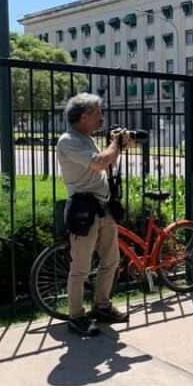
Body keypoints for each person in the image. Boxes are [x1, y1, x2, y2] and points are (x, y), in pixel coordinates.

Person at [57, 93, 134, 336]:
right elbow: (99, 163)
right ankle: (76, 316)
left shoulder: (87, 139)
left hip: (103, 208)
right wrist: (115, 144)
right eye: (98, 113)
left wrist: (118, 146)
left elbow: (106, 163)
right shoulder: (68, 141)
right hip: (84, 211)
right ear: (84, 116)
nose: (102, 117)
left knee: (110, 261)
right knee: (80, 268)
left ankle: (102, 306)